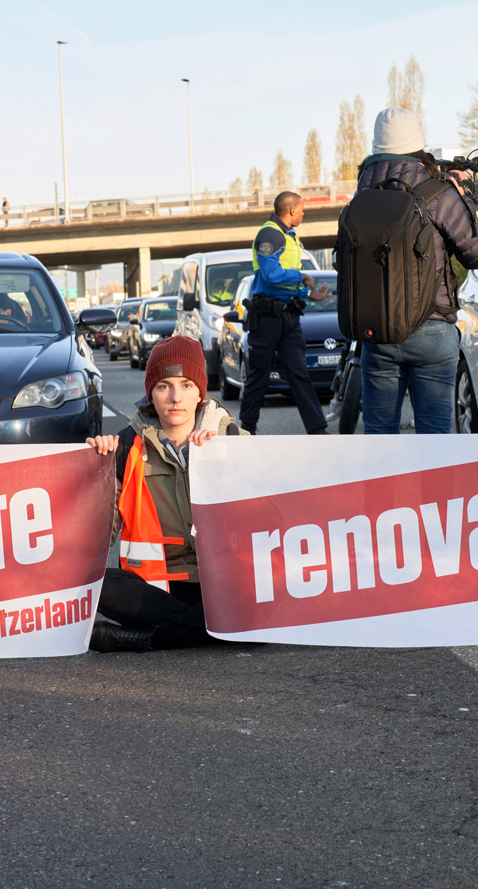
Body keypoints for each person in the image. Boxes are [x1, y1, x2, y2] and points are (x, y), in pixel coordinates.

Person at [84, 336, 245, 652]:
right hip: (161, 587)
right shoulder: (126, 446)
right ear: (151, 394)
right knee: (94, 585)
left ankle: (149, 638)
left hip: (227, 581)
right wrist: (97, 477)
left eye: (186, 384)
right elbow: (100, 537)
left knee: (268, 592)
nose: (176, 397)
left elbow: (276, 518)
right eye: (163, 386)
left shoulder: (234, 438)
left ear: (200, 390)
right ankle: (213, 627)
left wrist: (226, 457)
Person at [355, 108, 478, 434]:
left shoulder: (362, 194)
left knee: (380, 436)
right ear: (418, 144)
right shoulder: (437, 192)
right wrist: (462, 196)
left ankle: (383, 486)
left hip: (378, 333)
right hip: (431, 327)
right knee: (434, 439)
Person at [238, 191, 333, 435]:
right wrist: (300, 276)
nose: (304, 213)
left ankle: (318, 430)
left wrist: (308, 294)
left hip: (289, 316)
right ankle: (247, 429)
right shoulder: (270, 233)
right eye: (302, 209)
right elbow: (271, 274)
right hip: (267, 317)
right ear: (291, 210)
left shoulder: (290, 237)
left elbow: (285, 283)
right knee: (259, 375)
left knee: (300, 374)